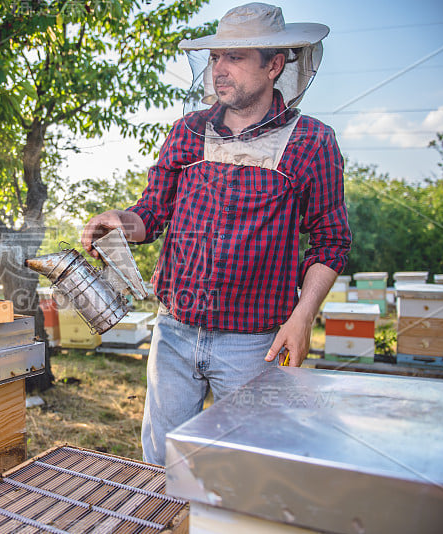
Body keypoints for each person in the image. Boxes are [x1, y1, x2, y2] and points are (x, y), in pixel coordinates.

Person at [80, 3, 351, 466]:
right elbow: (153, 212)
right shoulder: (187, 132)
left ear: (274, 65)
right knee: (161, 468)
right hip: (174, 331)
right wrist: (120, 219)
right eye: (214, 58)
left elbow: (330, 241)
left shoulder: (312, 142)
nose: (218, 70)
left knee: (248, 469)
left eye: (234, 58)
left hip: (253, 343)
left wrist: (302, 318)